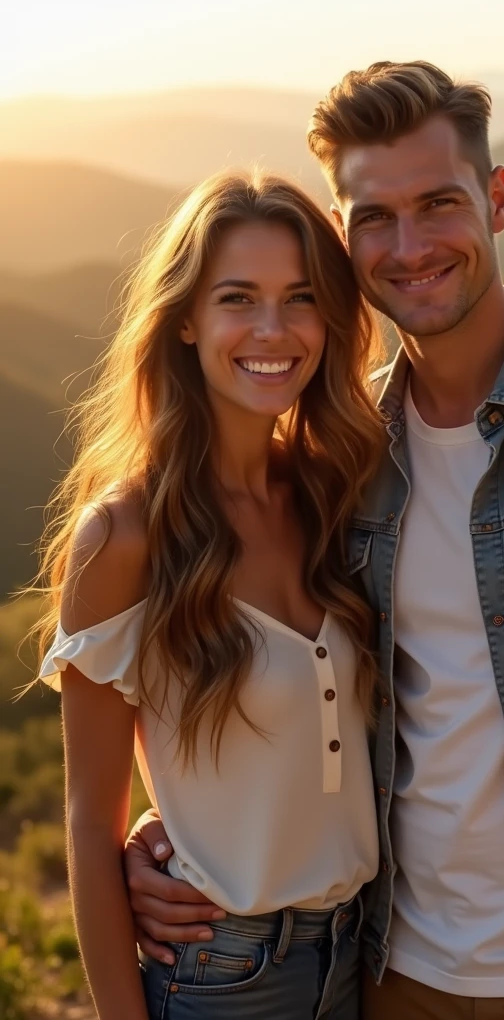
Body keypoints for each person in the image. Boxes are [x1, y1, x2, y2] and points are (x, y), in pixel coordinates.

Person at [125, 62, 504, 1019]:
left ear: (497, 199)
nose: (410, 244)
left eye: (438, 203)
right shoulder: (339, 457)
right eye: (374, 217)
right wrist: (175, 823)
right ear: (344, 238)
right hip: (387, 973)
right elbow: (301, 684)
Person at [34, 171, 387, 1020]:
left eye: (300, 297)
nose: (274, 329)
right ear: (184, 319)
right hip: (222, 977)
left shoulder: (337, 493)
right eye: (239, 298)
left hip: (369, 953)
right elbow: (90, 822)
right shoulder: (122, 539)